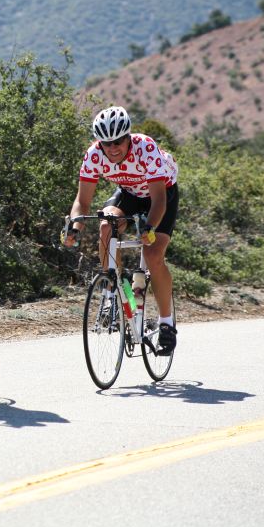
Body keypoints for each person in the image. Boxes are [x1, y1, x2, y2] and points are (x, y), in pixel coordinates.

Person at [64, 106, 180, 355]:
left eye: (118, 141)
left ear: (129, 137)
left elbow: (159, 201)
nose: (112, 148)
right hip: (130, 194)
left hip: (161, 195)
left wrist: (148, 228)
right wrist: (74, 227)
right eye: (106, 143)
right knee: (106, 224)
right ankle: (111, 295)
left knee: (152, 255)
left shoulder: (145, 147)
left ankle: (167, 324)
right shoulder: (94, 155)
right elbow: (82, 202)